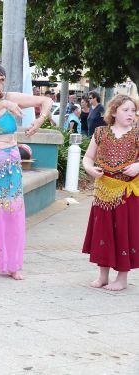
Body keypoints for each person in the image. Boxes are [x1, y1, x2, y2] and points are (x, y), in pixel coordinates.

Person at [0, 63, 52, 280]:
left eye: (2, 79)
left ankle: (11, 264)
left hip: (7, 164)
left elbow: (46, 100)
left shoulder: (11, 97)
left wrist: (40, 120)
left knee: (10, 213)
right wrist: (3, 103)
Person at [82, 94, 138, 291]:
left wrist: (138, 167)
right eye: (126, 110)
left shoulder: (138, 134)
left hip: (127, 193)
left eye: (133, 110)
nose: (131, 114)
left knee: (124, 232)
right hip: (103, 191)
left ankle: (122, 279)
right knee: (103, 231)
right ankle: (103, 276)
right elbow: (88, 158)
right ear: (114, 112)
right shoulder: (100, 133)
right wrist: (90, 169)